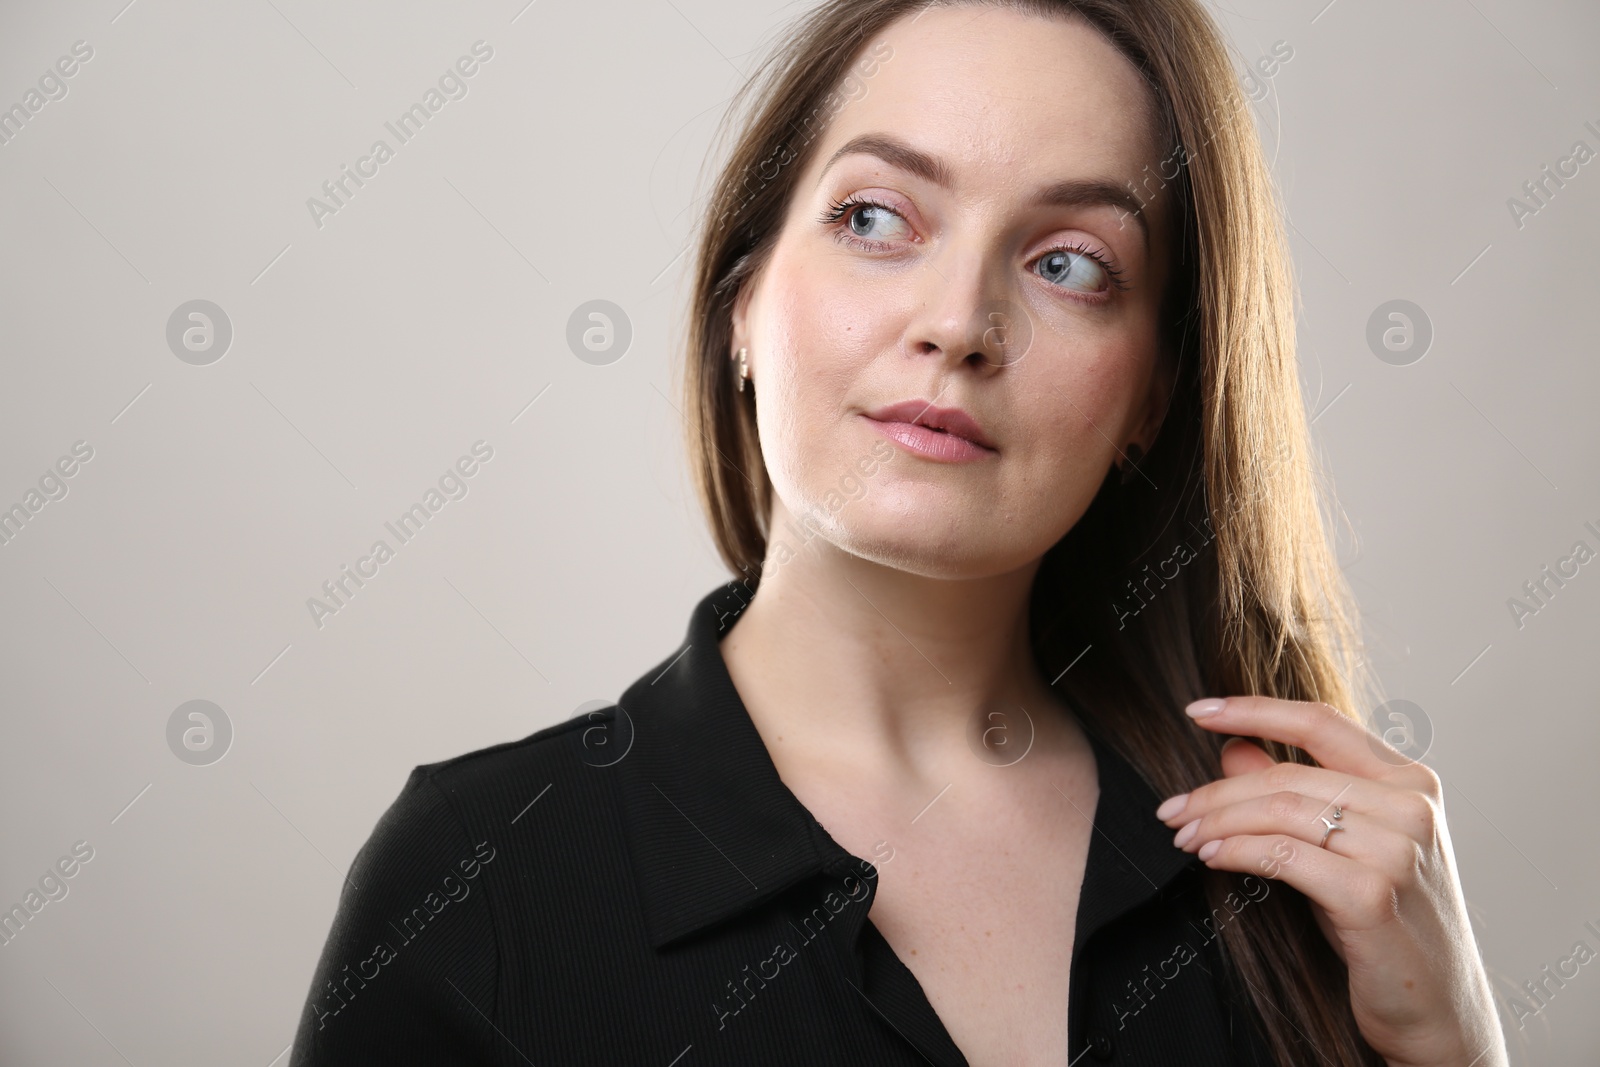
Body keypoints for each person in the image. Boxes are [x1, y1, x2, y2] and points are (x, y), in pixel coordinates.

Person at [289, 1, 1509, 1064]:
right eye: (876, 218)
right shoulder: (481, 881)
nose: (958, 319)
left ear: (1151, 393)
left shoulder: (1293, 883)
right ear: (741, 301)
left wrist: (1457, 1048)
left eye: (1069, 263)